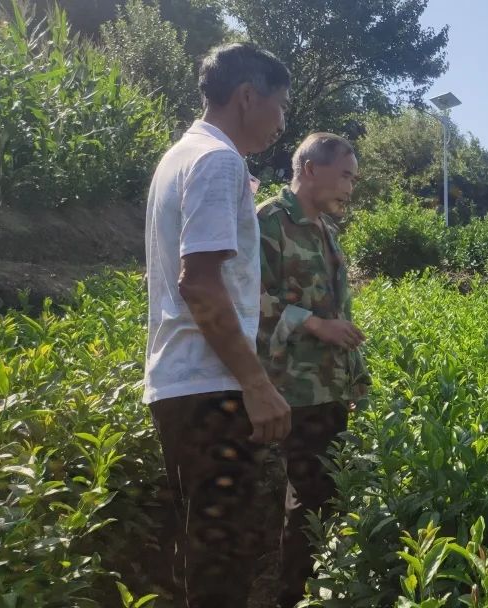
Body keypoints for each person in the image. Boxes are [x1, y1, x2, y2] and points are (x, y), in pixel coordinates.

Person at [142, 42, 292, 607]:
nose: (281, 123)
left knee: (204, 553)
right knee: (223, 563)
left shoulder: (179, 157)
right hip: (212, 390)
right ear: (247, 96)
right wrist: (256, 385)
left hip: (184, 386)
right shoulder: (218, 159)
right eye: (279, 106)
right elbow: (199, 283)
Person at [256, 132, 372, 607]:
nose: (350, 187)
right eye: (344, 175)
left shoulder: (325, 228)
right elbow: (251, 302)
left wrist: (355, 374)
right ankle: (292, 595)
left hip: (330, 385)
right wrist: (317, 326)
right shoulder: (269, 221)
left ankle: (322, 588)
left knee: (328, 493)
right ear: (308, 169)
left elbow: (335, 310)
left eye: (354, 178)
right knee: (308, 498)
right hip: (292, 388)